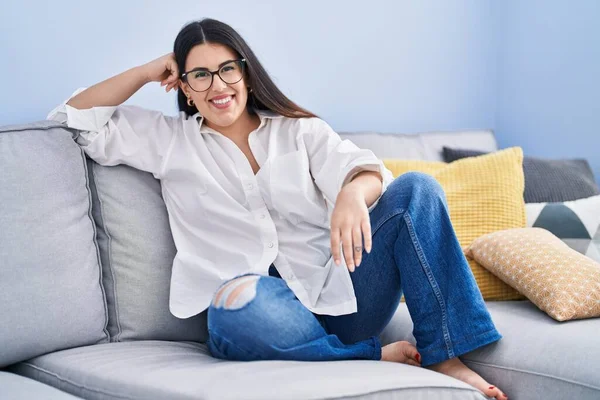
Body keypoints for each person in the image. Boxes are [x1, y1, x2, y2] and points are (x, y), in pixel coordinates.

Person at [48, 18, 508, 400]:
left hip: (343, 296)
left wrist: (351, 192)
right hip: (260, 312)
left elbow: (366, 172)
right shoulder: (170, 141)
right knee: (237, 309)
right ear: (185, 88)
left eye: (227, 69)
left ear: (246, 74)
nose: (217, 85)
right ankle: (365, 356)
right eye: (200, 75)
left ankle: (445, 354)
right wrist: (149, 70)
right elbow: (71, 118)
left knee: (417, 190)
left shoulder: (298, 131)